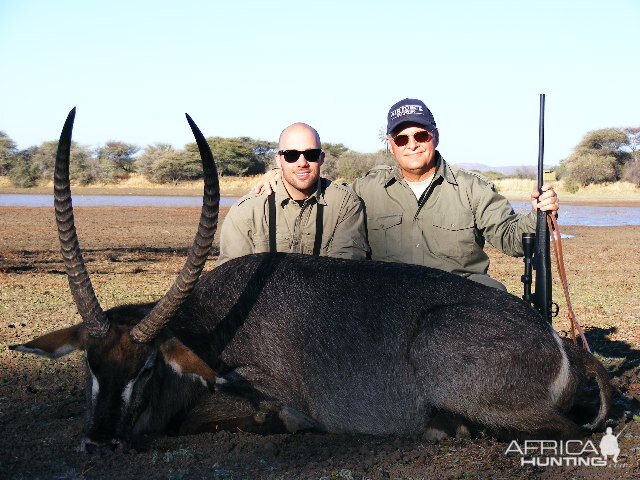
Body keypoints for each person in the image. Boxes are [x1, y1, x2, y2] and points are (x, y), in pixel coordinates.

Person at [254, 99, 559, 290]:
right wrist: (280, 174)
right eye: (402, 138)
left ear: (434, 137)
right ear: (391, 144)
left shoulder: (473, 188)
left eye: (420, 135)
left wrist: (539, 214)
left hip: (460, 298)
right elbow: (316, 187)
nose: (412, 144)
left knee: (494, 301)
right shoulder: (365, 189)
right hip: (391, 302)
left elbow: (512, 240)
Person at [216, 122, 369, 266]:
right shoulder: (246, 210)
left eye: (311, 154)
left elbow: (345, 271)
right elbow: (234, 275)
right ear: (279, 160)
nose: (302, 163)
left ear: (321, 158)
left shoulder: (344, 203)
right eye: (291, 155)